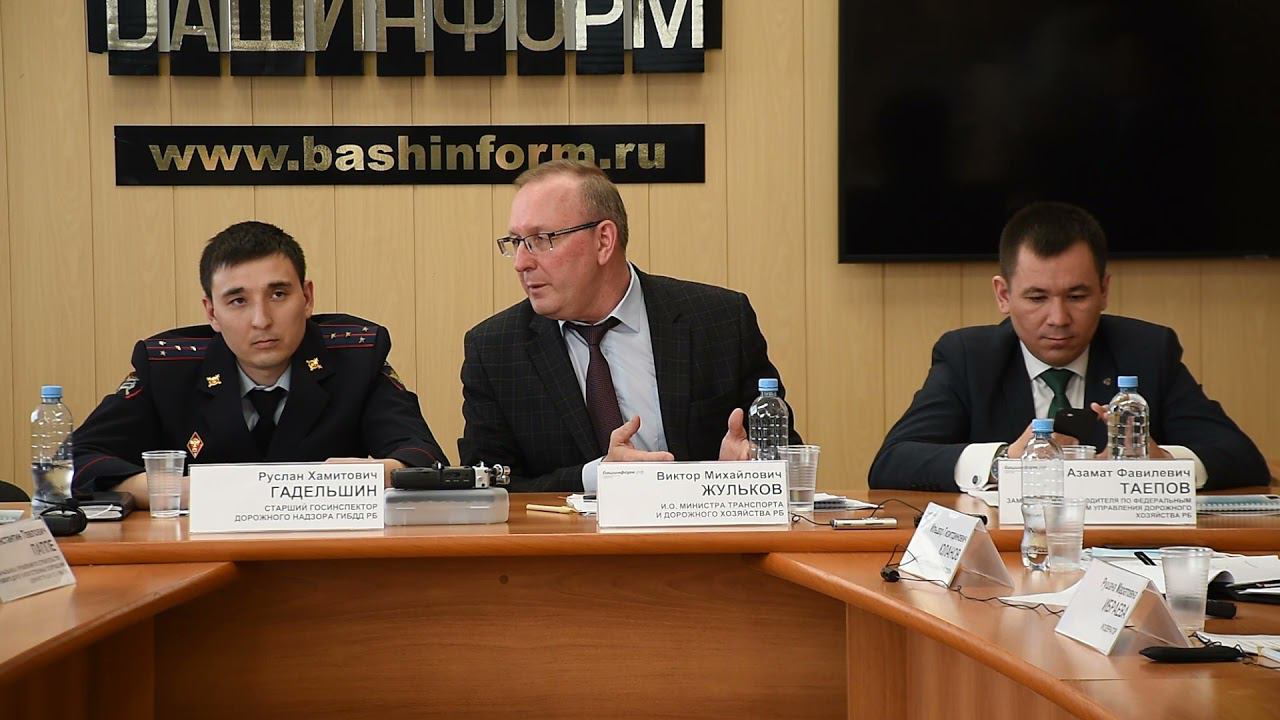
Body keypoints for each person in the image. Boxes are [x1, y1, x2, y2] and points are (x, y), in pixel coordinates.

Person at [869, 201, 1267, 492]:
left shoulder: (1147, 351)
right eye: (1037, 298)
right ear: (1004, 295)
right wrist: (1004, 462)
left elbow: (1242, 458)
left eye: (1076, 297)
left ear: (1104, 291)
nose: (1058, 318)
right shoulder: (969, 357)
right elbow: (892, 461)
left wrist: (1162, 463)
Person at [460, 160, 799, 492]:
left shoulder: (719, 322)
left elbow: (782, 451)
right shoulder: (495, 350)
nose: (521, 262)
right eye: (516, 242)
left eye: (541, 239)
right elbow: (486, 486)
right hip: (565, 532)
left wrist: (749, 467)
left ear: (604, 241)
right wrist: (598, 476)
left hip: (701, 527)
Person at [74, 221, 447, 506]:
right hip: (201, 556)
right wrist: (173, 490)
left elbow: (424, 458)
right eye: (238, 301)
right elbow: (77, 462)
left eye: (278, 294)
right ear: (211, 312)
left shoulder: (357, 357)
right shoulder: (167, 368)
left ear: (307, 297)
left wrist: (362, 478)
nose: (261, 320)